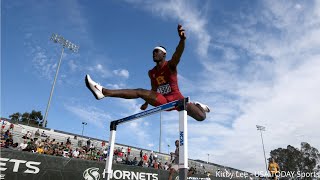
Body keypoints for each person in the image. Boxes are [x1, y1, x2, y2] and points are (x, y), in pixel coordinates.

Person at [85, 24, 210, 121]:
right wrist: (146, 102)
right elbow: (153, 89)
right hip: (163, 100)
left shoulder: (170, 65)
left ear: (164, 54)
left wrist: (182, 40)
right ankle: (104, 92)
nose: (154, 54)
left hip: (178, 99)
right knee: (140, 91)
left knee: (201, 117)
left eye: (157, 51)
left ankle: (198, 105)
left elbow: (178, 54)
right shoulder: (152, 72)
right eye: (153, 52)